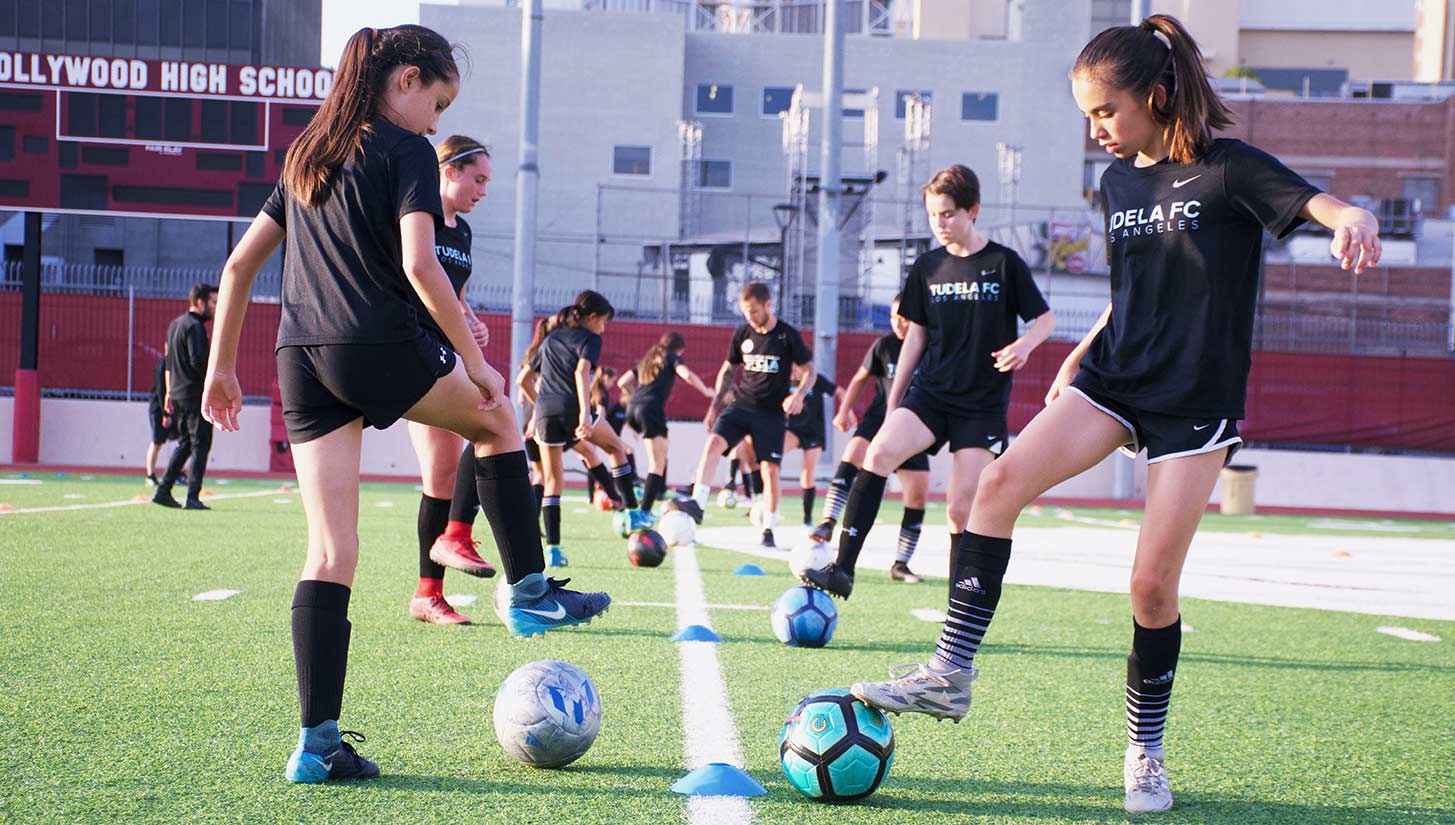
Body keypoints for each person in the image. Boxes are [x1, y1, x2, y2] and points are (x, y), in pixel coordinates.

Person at [847, 15, 1381, 815]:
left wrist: (1356, 219)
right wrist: (1080, 349)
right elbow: (1136, 290)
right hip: (1111, 376)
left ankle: (1144, 749)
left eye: (1106, 111)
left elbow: (1316, 204)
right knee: (994, 488)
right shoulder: (1117, 183)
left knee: (1150, 586)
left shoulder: (1228, 169)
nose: (1096, 129)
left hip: (1193, 403)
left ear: (1156, 95)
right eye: (1087, 115)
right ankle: (948, 674)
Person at [199, 24, 610, 785]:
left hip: (300, 360)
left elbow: (236, 263)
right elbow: (421, 265)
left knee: (329, 552)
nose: (434, 119)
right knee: (496, 418)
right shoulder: (405, 149)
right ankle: (527, 594)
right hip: (375, 344)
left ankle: (316, 744)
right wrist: (482, 364)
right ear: (406, 79)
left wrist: (220, 368)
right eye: (437, 101)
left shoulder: (306, 157)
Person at [802, 163, 1054, 600]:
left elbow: (1045, 319)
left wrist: (1026, 344)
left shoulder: (1003, 264)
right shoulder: (927, 266)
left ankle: (958, 611)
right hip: (931, 393)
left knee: (959, 511)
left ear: (973, 210)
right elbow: (916, 336)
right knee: (878, 454)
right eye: (934, 214)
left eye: (948, 213)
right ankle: (843, 568)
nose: (940, 223)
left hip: (981, 404)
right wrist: (894, 404)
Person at [403, 134, 497, 627]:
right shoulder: (417, 216)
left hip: (447, 354)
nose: (483, 189)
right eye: (478, 178)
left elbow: (454, 295)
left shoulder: (462, 233)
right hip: (410, 351)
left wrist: (470, 318)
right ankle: (457, 534)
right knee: (493, 422)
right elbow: (411, 274)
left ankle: (427, 594)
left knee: (440, 476)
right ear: (450, 169)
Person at [678, 281, 814, 549]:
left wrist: (798, 395)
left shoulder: (787, 336)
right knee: (714, 443)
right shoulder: (742, 334)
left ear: (767, 305)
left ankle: (768, 529)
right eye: (745, 312)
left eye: (754, 311)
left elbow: (810, 370)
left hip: (771, 414)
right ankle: (698, 503)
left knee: (770, 470)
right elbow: (728, 371)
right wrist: (713, 407)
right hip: (741, 405)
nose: (750, 317)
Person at [812, 295, 935, 583]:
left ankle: (901, 564)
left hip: (914, 422)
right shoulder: (884, 346)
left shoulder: (930, 348)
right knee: (854, 454)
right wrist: (844, 411)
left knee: (918, 494)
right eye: (893, 317)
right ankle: (828, 522)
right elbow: (858, 379)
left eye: (904, 318)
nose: (898, 323)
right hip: (880, 417)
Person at [518, 291, 646, 567]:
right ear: (591, 317)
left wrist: (540, 405)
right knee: (616, 448)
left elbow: (522, 380)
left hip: (545, 414)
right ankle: (633, 514)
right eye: (603, 322)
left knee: (552, 481)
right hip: (573, 408)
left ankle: (552, 551)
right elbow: (581, 372)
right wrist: (585, 414)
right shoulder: (590, 338)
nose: (603, 328)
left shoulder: (551, 339)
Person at [616, 331, 714, 512]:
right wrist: (706, 391)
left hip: (633, 408)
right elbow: (686, 375)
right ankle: (644, 511)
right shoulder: (671, 358)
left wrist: (635, 398)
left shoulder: (648, 359)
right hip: (651, 410)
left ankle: (658, 491)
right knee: (657, 464)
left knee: (660, 451)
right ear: (679, 350)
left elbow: (622, 382)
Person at [152, 282, 218, 510]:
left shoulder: (175, 324)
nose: (216, 307)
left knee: (186, 442)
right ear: (200, 303)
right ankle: (192, 496)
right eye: (213, 302)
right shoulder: (195, 328)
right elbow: (198, 361)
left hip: (179, 393)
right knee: (201, 443)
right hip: (194, 393)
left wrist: (169, 392)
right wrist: (214, 387)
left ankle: (163, 490)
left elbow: (168, 363)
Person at [784, 368, 846, 527]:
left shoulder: (815, 379)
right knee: (772, 457)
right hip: (793, 430)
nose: (794, 368)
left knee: (807, 474)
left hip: (813, 432)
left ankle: (807, 518)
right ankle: (760, 498)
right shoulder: (784, 379)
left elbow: (839, 391)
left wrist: (847, 412)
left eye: (798, 364)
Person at [144, 353, 178, 486]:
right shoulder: (163, 365)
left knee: (182, 441)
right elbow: (161, 390)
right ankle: (150, 475)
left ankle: (177, 472)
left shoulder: (175, 365)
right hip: (159, 409)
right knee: (157, 442)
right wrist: (165, 414)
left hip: (172, 409)